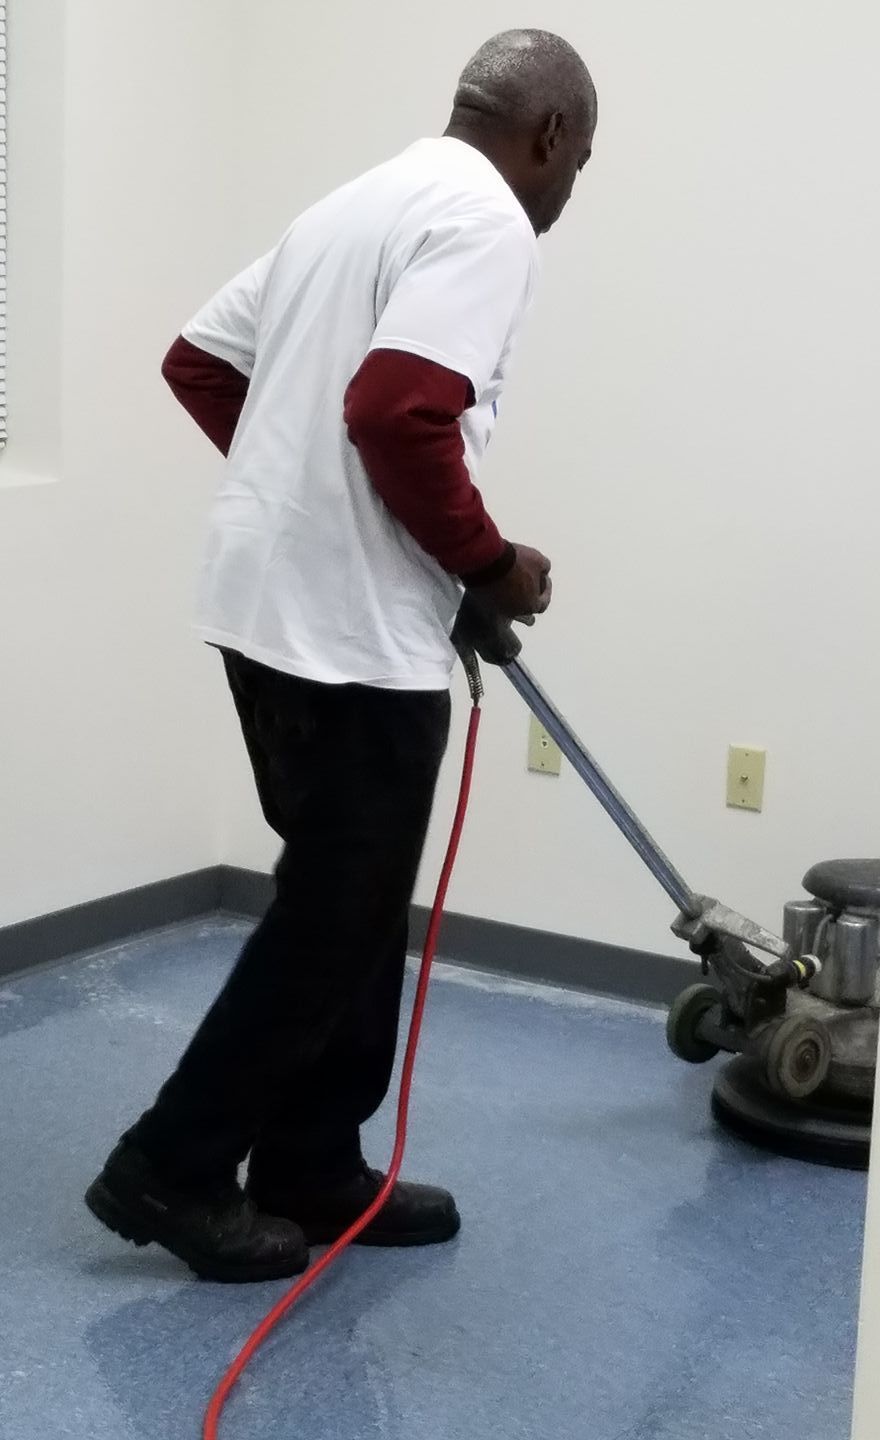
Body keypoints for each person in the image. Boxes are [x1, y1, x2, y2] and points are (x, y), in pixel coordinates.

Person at [85, 29, 597, 1283]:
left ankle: (314, 1163)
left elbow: (200, 360)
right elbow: (393, 412)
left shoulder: (360, 200)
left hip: (266, 610)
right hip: (349, 639)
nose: (571, 187)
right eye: (580, 160)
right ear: (546, 138)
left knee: (350, 902)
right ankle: (172, 1165)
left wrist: (302, 496)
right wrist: (488, 563)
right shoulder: (486, 221)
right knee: (335, 913)